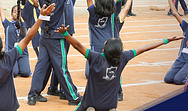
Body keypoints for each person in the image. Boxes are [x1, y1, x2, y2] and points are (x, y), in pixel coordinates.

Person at [55, 24, 183, 111]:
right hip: (110, 105)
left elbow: (77, 46)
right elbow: (144, 48)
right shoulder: (123, 58)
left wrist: (65, 34)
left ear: (104, 49)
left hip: (90, 104)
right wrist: (166, 40)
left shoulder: (96, 58)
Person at [25, 0, 94, 106]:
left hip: (45, 37)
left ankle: (33, 94)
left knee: (41, 67)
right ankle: (73, 96)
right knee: (62, 68)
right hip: (57, 39)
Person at [0, 0, 31, 77]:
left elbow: (30, 9)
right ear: (11, 13)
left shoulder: (25, 24)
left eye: (18, 11)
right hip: (10, 54)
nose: (16, 13)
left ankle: (20, 65)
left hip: (23, 54)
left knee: (25, 73)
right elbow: (0, 9)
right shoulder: (7, 24)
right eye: (14, 12)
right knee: (13, 73)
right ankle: (6, 63)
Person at [164, 0, 188, 85]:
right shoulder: (186, 27)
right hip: (181, 58)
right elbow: (174, 12)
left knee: (178, 80)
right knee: (168, 79)